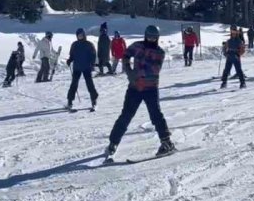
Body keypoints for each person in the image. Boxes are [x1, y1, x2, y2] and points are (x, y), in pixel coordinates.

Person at [105, 25, 174, 161]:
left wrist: (138, 75)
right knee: (126, 115)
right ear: (145, 36)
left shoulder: (159, 52)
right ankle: (113, 143)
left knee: (156, 115)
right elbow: (125, 54)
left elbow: (154, 70)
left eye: (154, 38)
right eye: (149, 37)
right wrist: (128, 70)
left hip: (150, 88)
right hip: (135, 88)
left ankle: (166, 142)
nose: (151, 40)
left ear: (157, 38)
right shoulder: (137, 46)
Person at [66, 28, 98, 110]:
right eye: (78, 35)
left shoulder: (89, 44)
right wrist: (69, 60)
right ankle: (70, 101)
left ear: (84, 35)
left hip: (86, 67)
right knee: (74, 84)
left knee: (89, 84)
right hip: (77, 67)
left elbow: (93, 55)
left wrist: (92, 63)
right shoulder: (74, 44)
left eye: (81, 35)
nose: (80, 36)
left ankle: (94, 100)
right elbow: (72, 55)